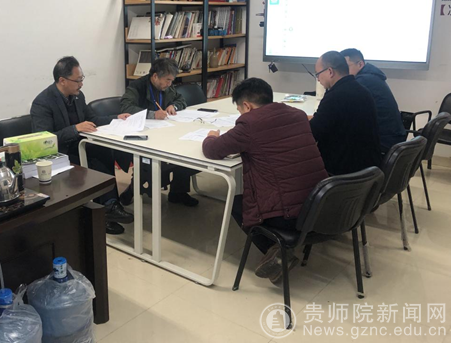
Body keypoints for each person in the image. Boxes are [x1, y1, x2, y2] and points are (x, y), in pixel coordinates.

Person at [202, 78, 328, 284]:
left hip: (290, 215)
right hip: (320, 202)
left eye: (239, 110)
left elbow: (212, 150)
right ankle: (278, 251)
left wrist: (211, 136)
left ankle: (279, 253)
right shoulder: (297, 115)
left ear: (247, 106)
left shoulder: (249, 124)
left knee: (236, 203)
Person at [30, 56, 134, 235]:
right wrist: (75, 129)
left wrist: (116, 118)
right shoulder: (43, 103)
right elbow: (43, 139)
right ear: (62, 80)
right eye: (77, 80)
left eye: (82, 79)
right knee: (93, 158)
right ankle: (106, 209)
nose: (81, 84)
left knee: (103, 150)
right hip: (59, 154)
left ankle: (108, 207)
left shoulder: (78, 96)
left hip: (79, 146)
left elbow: (92, 119)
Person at [120, 58, 198, 207]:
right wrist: (152, 114)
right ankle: (133, 189)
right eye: (168, 80)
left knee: (185, 150)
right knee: (149, 161)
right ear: (155, 76)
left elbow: (181, 99)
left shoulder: (166, 87)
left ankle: (178, 192)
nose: (170, 84)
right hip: (142, 134)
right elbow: (126, 107)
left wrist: (174, 106)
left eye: (172, 80)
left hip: (164, 131)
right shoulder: (137, 86)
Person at [311, 51, 382, 175]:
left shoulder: (335, 97)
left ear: (330, 71)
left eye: (318, 74)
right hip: (368, 170)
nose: (318, 79)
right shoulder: (363, 90)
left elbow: (313, 133)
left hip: (343, 172)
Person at [340, 48, 406, 152]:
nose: (342, 72)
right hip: (393, 138)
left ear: (360, 64)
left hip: (383, 142)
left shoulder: (363, 81)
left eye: (346, 67)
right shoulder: (372, 76)